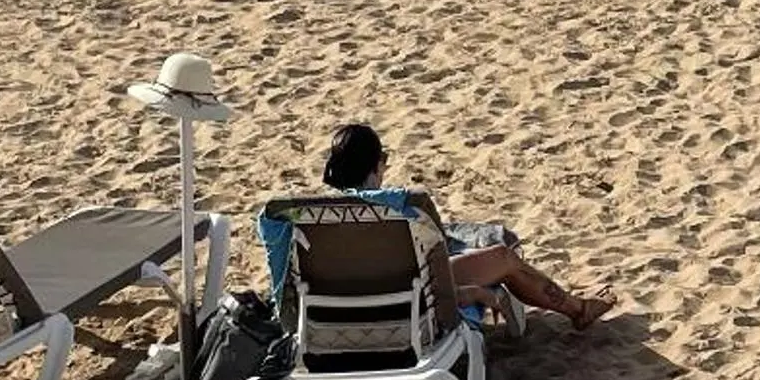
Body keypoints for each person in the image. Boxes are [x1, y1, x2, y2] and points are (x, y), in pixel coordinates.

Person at [263, 121, 615, 329]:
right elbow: (431, 274)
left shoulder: (290, 216)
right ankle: (577, 309)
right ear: (375, 164)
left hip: (322, 317)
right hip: (404, 309)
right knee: (502, 258)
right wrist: (474, 293)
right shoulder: (398, 207)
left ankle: (572, 305)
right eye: (383, 159)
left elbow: (279, 274)